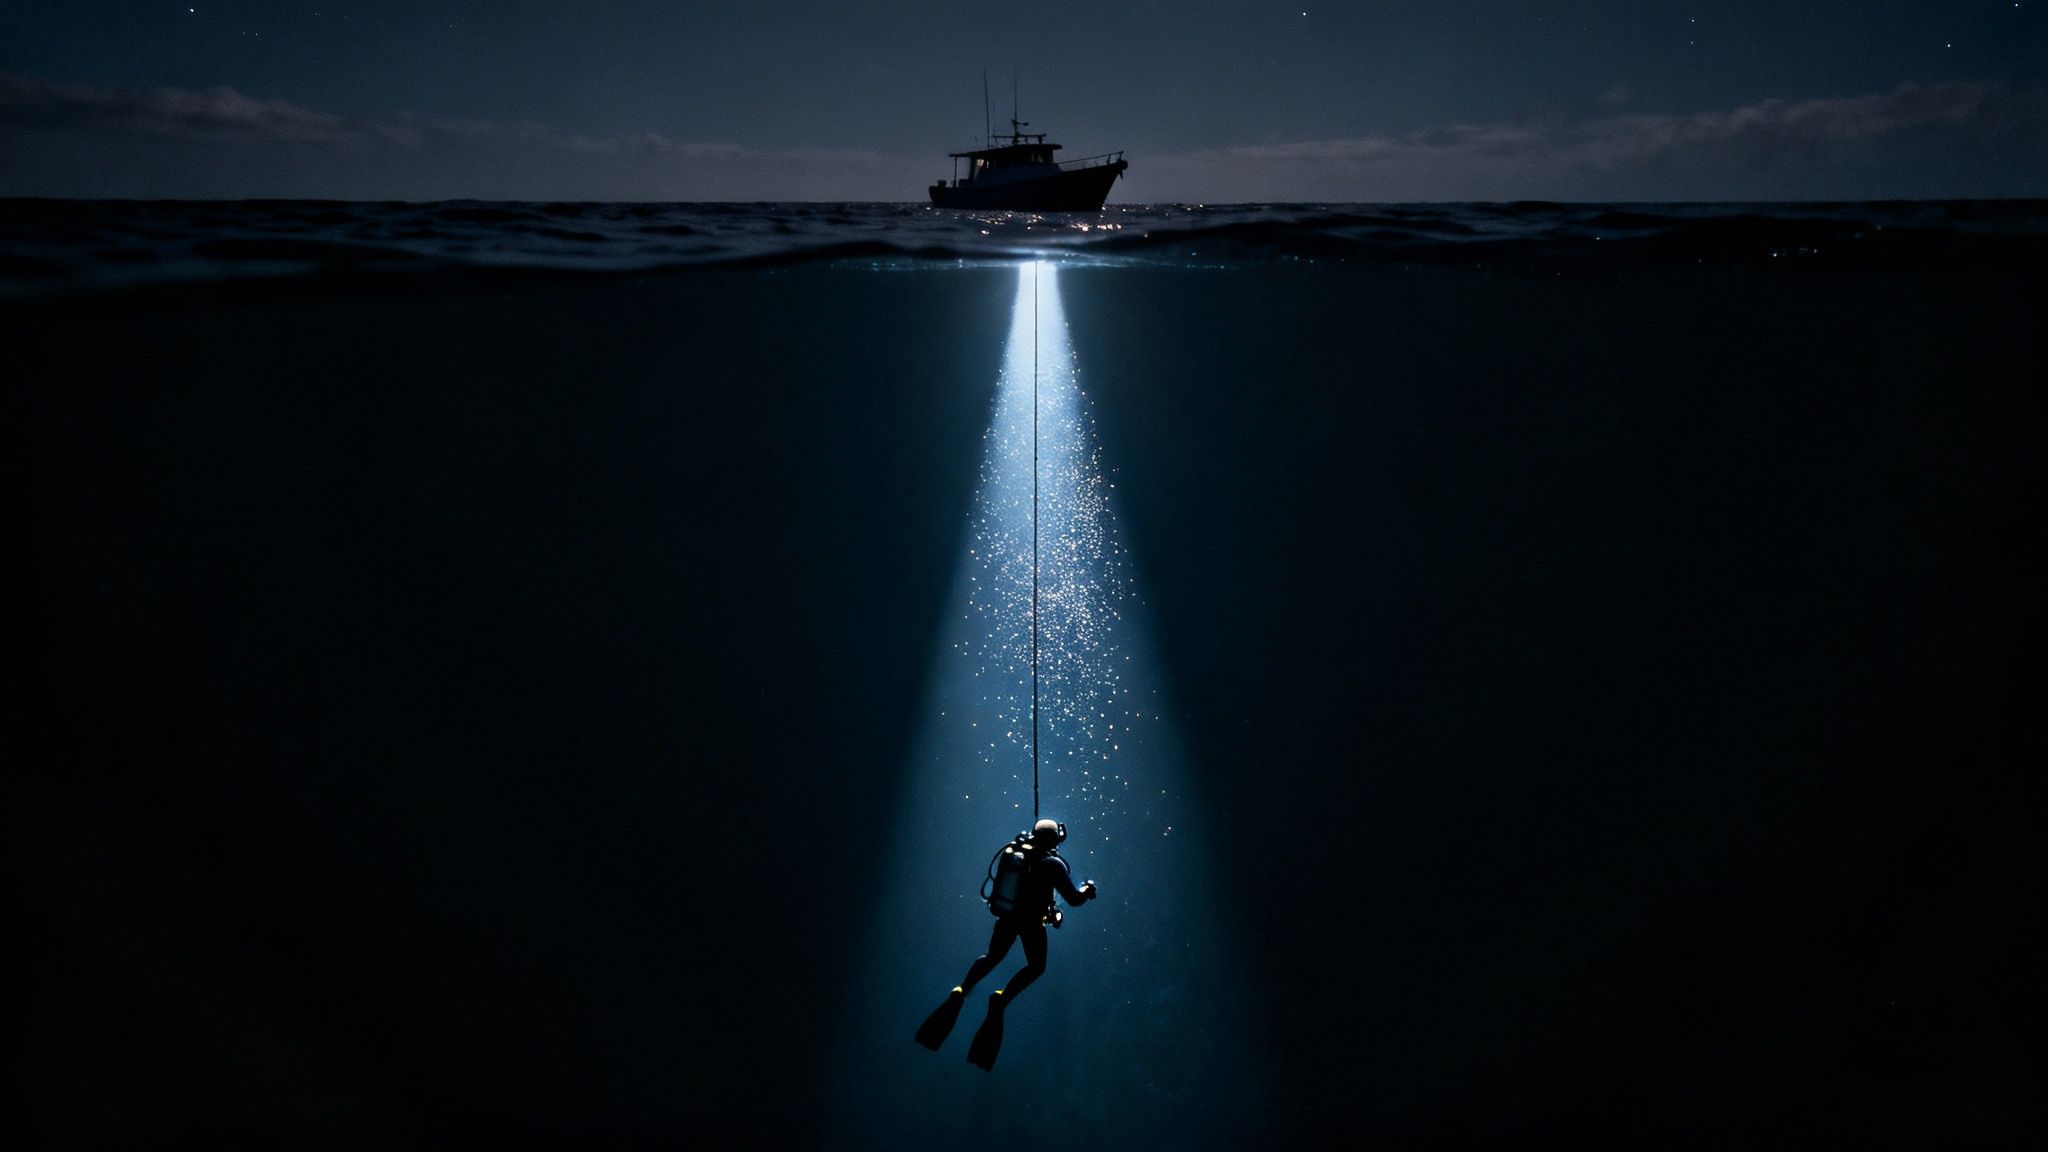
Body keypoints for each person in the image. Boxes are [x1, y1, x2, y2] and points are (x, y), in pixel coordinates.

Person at [914, 818, 1098, 1069]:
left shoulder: (1015, 854)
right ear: (1054, 839)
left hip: (1007, 917)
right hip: (1031, 923)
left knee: (992, 957)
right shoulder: (1053, 865)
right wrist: (1087, 889)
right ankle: (1001, 998)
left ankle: (962, 990)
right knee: (1036, 966)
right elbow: (1074, 899)